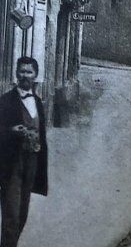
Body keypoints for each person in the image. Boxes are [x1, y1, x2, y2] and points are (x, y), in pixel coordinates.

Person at [0, 57, 48, 247]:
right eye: (22, 71)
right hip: (12, 164)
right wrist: (11, 131)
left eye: (29, 72)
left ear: (36, 75)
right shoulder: (5, 101)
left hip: (32, 164)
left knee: (22, 215)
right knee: (11, 215)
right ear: (16, 73)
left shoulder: (38, 102)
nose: (25, 75)